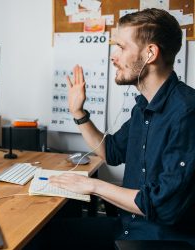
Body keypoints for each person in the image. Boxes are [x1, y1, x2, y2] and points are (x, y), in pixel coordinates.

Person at [43, 8, 195, 249]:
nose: (113, 57)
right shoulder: (143, 107)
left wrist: (93, 186)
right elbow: (111, 152)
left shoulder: (187, 112)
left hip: (161, 240)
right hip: (129, 227)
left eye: (121, 47)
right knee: (45, 234)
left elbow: (163, 206)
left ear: (150, 53)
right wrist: (78, 113)